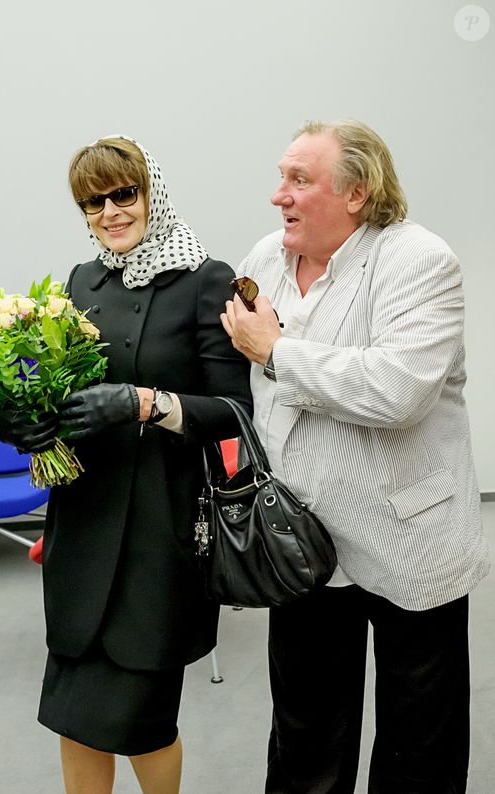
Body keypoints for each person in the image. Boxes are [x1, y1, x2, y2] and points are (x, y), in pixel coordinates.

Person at [221, 119, 490, 794]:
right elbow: (244, 388)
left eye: (299, 180)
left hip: (409, 537)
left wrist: (278, 352)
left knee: (417, 736)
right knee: (306, 728)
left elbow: (397, 389)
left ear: (358, 194)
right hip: (302, 539)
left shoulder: (416, 260)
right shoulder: (263, 260)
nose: (278, 194)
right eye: (281, 176)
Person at [0, 134, 252, 794]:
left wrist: (142, 404)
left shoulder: (206, 279)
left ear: (150, 193)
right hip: (83, 522)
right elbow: (54, 387)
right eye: (91, 202)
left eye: (122, 194)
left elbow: (234, 410)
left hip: (159, 529)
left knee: (142, 720)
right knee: (73, 716)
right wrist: (23, 421)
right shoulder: (83, 281)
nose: (108, 211)